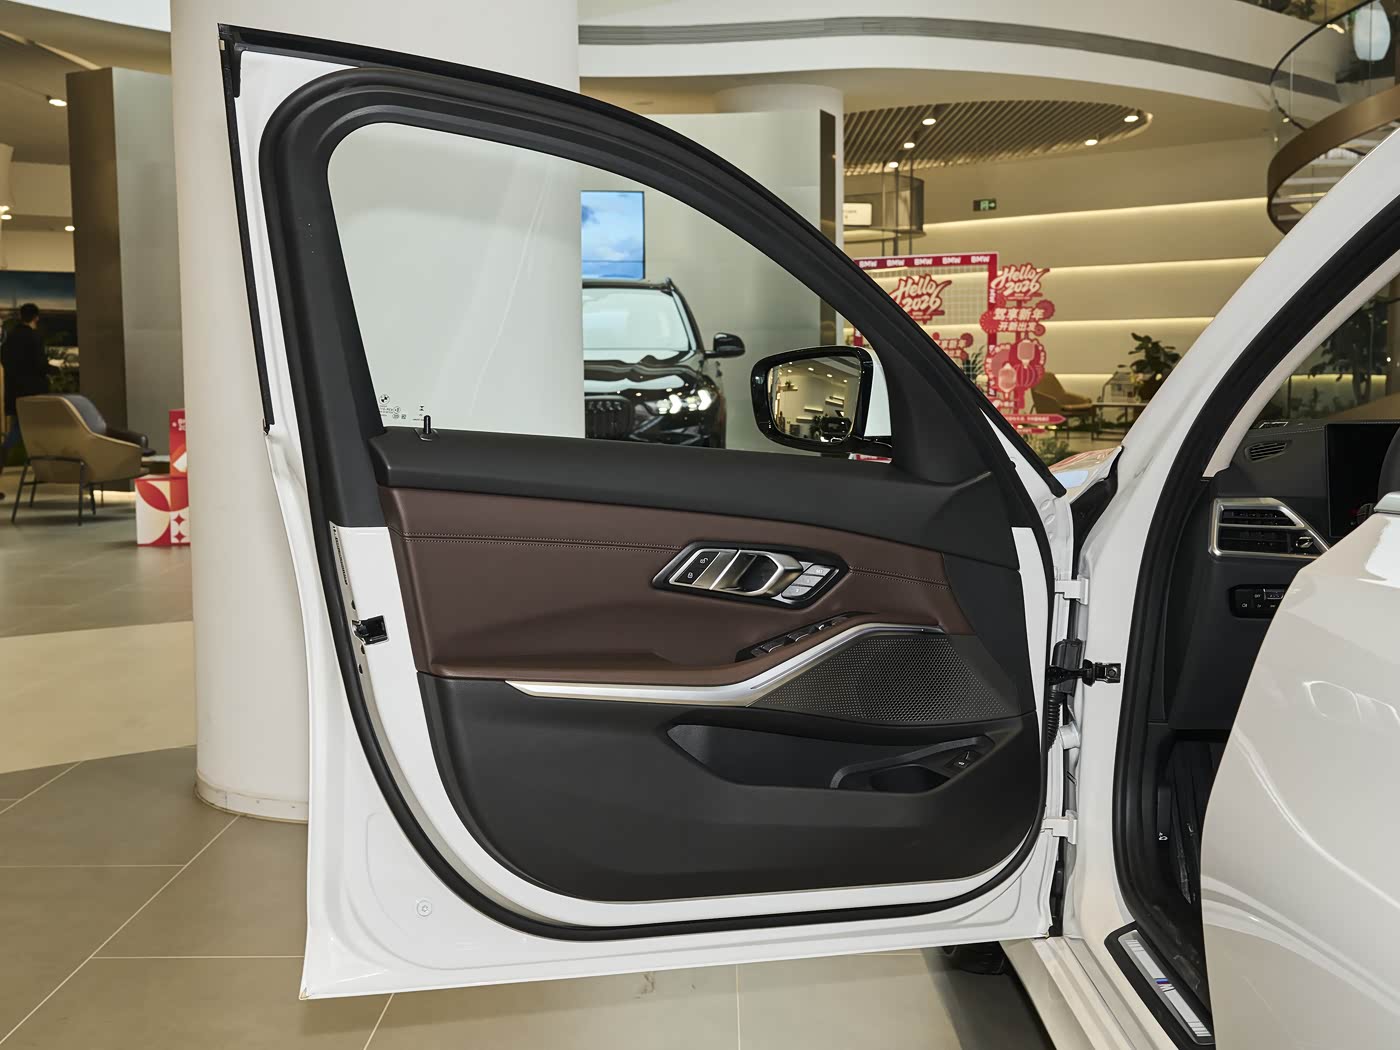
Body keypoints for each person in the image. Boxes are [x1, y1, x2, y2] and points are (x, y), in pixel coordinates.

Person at [2, 303, 54, 494]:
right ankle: (45, 471)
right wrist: (53, 370)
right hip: (33, 394)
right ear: (36, 317)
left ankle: (5, 457)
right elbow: (40, 364)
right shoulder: (34, 337)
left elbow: (5, 361)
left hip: (15, 394)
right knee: (40, 431)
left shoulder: (10, 338)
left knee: (17, 430)